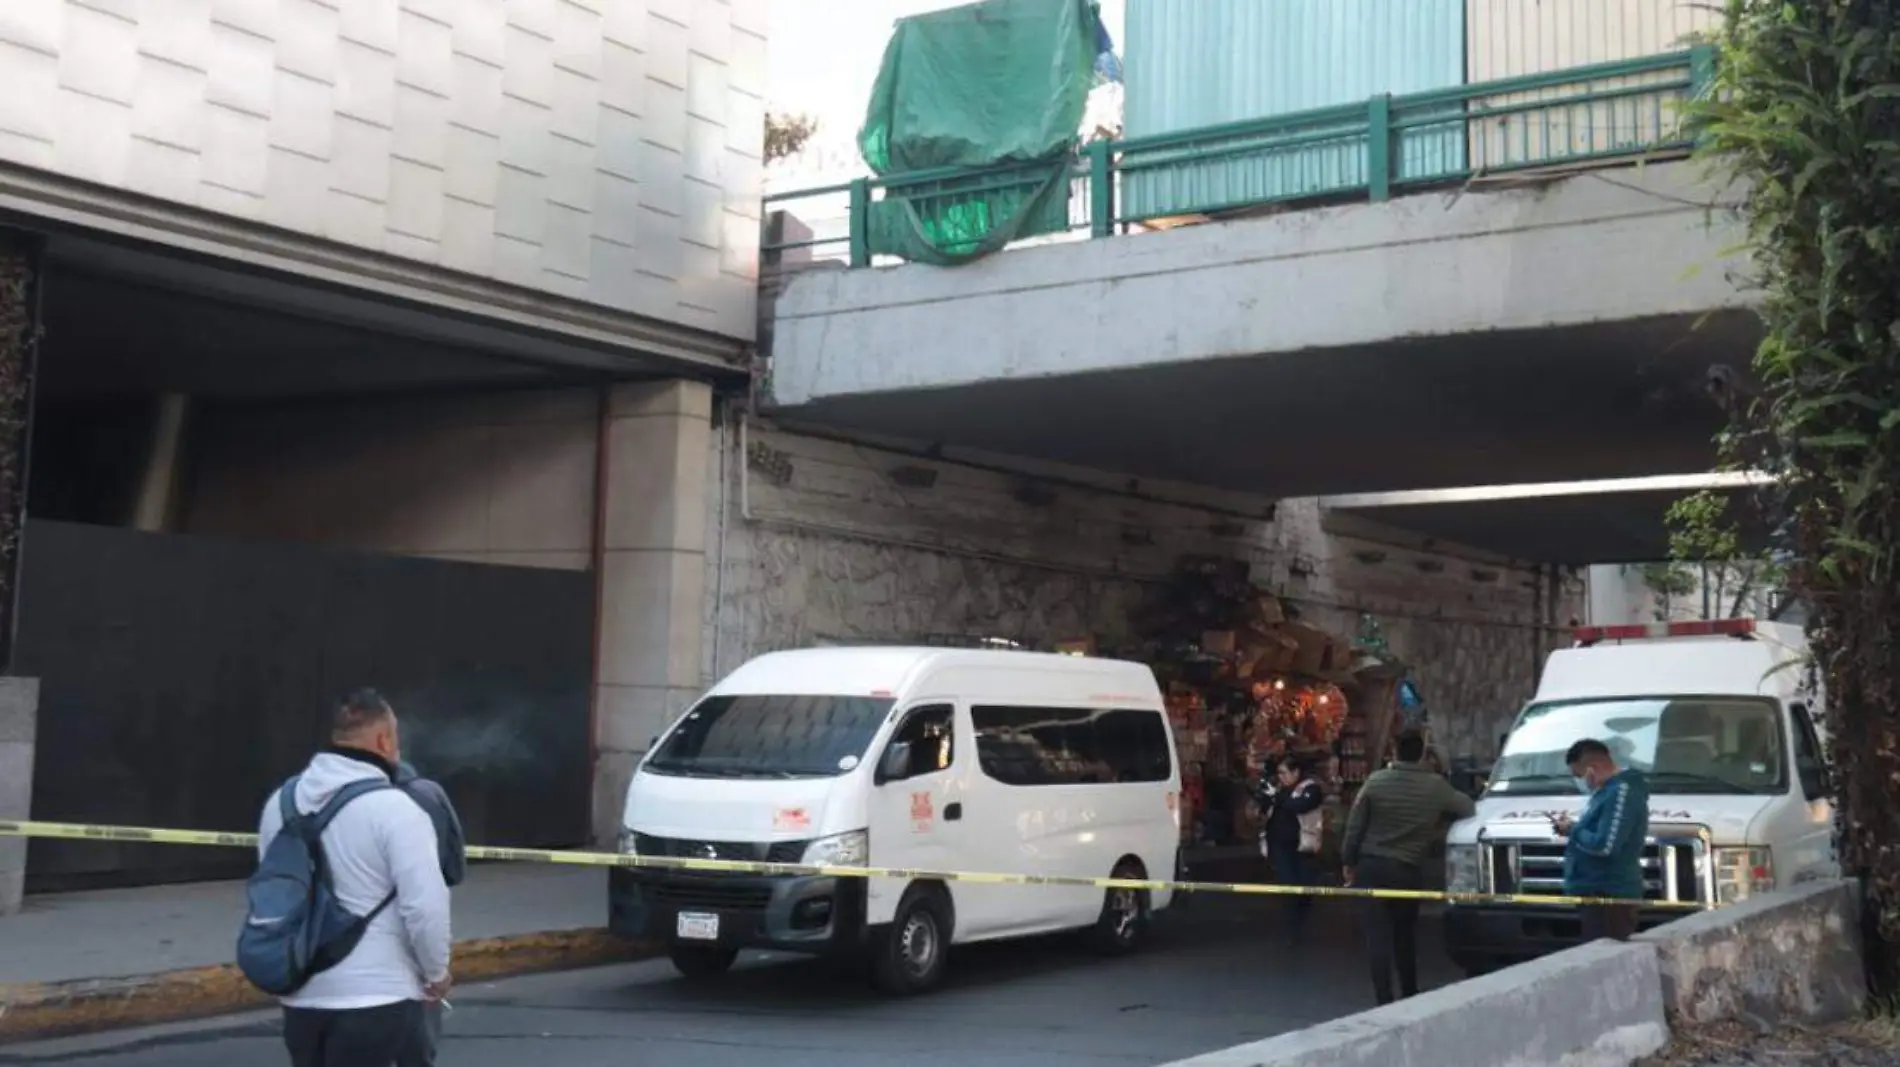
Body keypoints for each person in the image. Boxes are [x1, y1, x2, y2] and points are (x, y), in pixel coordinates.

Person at [258, 690, 452, 1067]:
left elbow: (274, 894)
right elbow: (425, 905)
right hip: (378, 994)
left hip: (301, 993)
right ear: (384, 740)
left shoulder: (279, 803)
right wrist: (436, 972)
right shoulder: (397, 809)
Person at [1340, 730, 1476, 1005]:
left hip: (1371, 866)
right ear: (1422, 755)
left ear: (1394, 752)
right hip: (1406, 869)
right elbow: (1468, 807)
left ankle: (1384, 999)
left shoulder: (1375, 782)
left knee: (1376, 936)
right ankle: (1410, 992)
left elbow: (1354, 827)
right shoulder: (1435, 786)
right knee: (1404, 935)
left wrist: (1348, 861)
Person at [392, 759, 465, 1067]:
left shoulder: (313, 795)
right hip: (410, 948)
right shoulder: (427, 794)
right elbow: (453, 868)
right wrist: (436, 970)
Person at [1552, 738, 1650, 943]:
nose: (1578, 781)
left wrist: (1573, 830)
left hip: (1610, 896)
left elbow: (1606, 846)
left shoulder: (1621, 793)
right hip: (1594, 893)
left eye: (1578, 775)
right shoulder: (1604, 793)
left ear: (1592, 768)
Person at [1254, 755, 1325, 941]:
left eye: (1284, 773)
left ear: (1296, 772)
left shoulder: (1311, 788)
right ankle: (1292, 929)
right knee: (1288, 884)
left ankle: (1300, 919)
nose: (1281, 777)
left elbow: (1301, 806)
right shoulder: (1279, 790)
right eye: (1278, 774)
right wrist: (1264, 797)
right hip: (1280, 846)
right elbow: (1263, 812)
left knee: (1305, 887)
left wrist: (1276, 797)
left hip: (1304, 846)